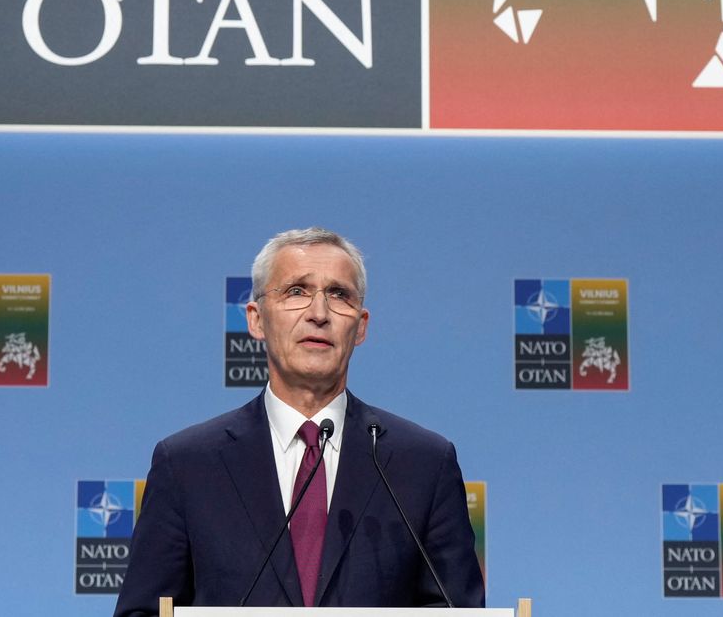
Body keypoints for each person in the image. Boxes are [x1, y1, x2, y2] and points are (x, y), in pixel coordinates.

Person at [115, 228, 483, 615]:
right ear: (256, 320)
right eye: (296, 291)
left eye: (339, 295)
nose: (319, 313)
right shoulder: (187, 465)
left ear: (360, 326)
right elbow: (143, 611)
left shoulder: (423, 464)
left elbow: (457, 609)